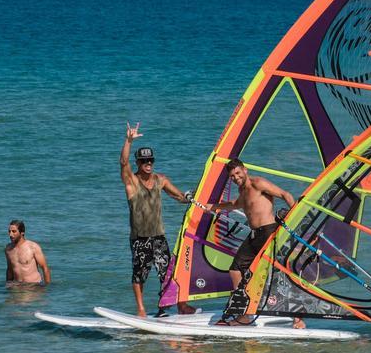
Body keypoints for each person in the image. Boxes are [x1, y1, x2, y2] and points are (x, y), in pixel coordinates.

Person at [207, 158, 303, 327]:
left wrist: (296, 220)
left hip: (269, 232)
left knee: (278, 275)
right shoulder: (242, 191)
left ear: (245, 170)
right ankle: (244, 314)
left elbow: (284, 194)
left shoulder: (258, 183)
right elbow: (234, 205)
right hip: (254, 235)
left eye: (237, 173)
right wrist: (214, 207)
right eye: (232, 176)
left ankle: (298, 319)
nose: (235, 177)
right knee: (235, 269)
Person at [121, 123, 197, 317]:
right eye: (144, 160)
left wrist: (192, 196)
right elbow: (123, 163)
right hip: (140, 238)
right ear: (138, 163)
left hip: (158, 237)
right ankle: (141, 309)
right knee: (140, 274)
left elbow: (179, 196)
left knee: (169, 273)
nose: (148, 163)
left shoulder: (160, 179)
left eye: (150, 160)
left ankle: (174, 307)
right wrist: (128, 141)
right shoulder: (132, 182)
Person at [5, 219, 50, 285]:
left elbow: (45, 268)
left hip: (34, 286)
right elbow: (9, 270)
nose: (11, 234)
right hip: (17, 286)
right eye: (9, 231)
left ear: (22, 232)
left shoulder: (33, 247)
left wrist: (47, 287)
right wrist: (8, 284)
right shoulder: (8, 249)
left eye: (14, 231)